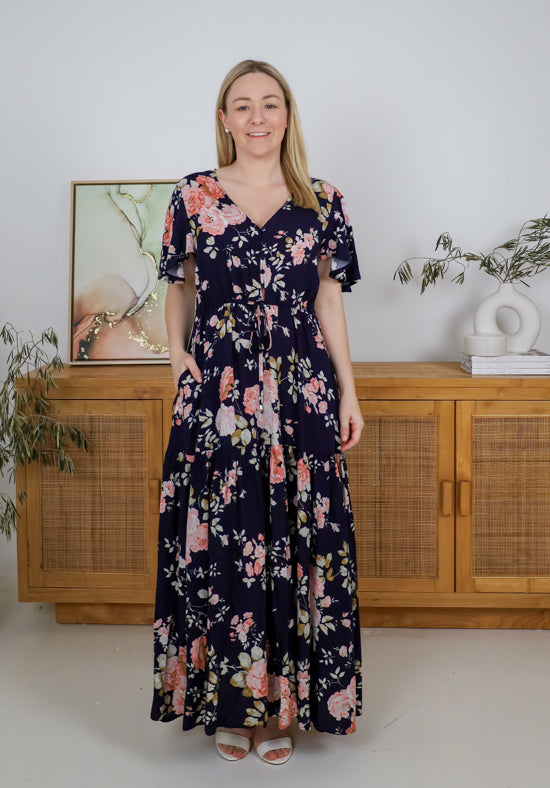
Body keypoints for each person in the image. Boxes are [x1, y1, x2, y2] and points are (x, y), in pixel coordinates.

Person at [150, 58, 364, 765]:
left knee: (299, 538)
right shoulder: (194, 196)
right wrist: (176, 354)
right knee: (224, 534)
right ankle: (229, 702)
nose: (257, 117)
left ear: (287, 114)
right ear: (224, 118)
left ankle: (284, 709)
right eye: (242, 106)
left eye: (270, 104)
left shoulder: (323, 199)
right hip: (219, 390)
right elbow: (179, 285)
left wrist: (348, 390)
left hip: (301, 389)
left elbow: (328, 298)